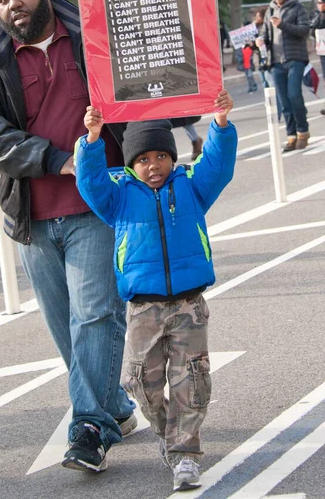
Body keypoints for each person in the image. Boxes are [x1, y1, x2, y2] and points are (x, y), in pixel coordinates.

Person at [0, 0, 136, 473]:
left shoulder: (92, 33)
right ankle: (117, 407)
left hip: (96, 205)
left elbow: (144, 92)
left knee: (96, 316)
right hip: (32, 216)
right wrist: (58, 161)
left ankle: (89, 428)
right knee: (68, 329)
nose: (13, 4)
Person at [75, 90, 237, 491]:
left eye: (161, 157)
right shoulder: (118, 196)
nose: (154, 166)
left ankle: (185, 453)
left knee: (192, 380)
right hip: (143, 309)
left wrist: (219, 123)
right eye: (144, 159)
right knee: (141, 384)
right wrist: (92, 140)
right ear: (131, 164)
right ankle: (169, 436)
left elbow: (218, 165)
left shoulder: (190, 187)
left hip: (188, 304)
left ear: (173, 157)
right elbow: (90, 182)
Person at [257, 0, 310, 152]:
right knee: (283, 100)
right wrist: (259, 40)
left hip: (295, 58)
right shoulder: (270, 10)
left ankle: (303, 131)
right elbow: (265, 33)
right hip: (275, 62)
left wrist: (283, 25)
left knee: (294, 94)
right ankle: (291, 135)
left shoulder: (297, 7)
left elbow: (304, 30)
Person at [310, 0, 325, 116]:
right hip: (323, 52)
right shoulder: (318, 17)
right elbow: (311, 31)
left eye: (321, 3)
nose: (319, 5)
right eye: (318, 3)